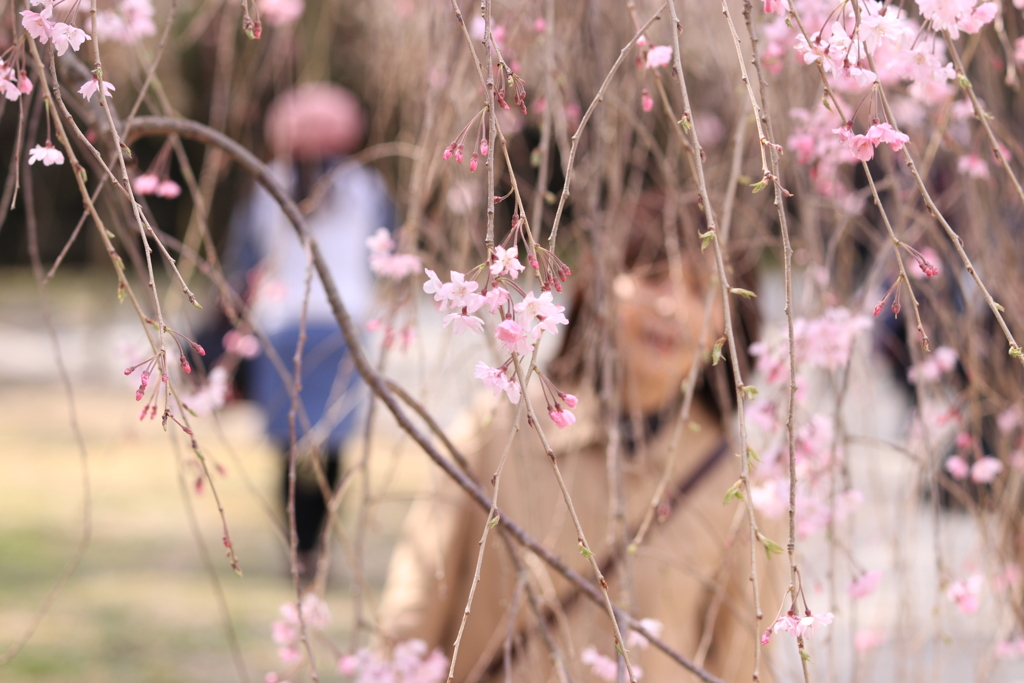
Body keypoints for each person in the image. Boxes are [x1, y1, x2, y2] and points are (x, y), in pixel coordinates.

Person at [377, 192, 780, 681]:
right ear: (602, 290)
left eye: (700, 289)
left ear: (726, 323)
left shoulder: (737, 488)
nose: (671, 306)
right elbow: (417, 597)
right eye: (652, 277)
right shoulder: (501, 430)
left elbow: (743, 663)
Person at [225, 82, 393, 579]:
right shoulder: (365, 186)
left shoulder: (265, 182)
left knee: (289, 444)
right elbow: (387, 251)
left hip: (283, 325)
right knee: (334, 444)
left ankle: (297, 550)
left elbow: (245, 259)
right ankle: (318, 550)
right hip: (344, 323)